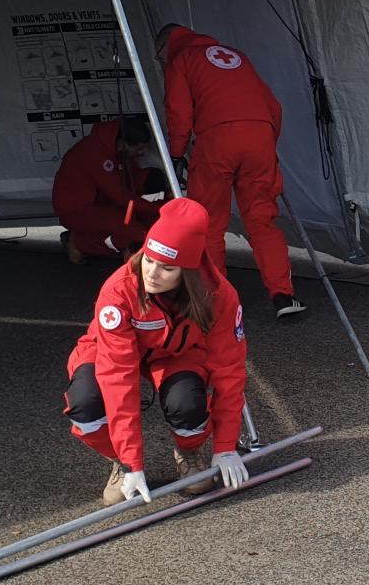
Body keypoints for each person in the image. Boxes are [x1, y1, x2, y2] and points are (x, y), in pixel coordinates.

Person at [60, 197, 251, 505]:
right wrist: (130, 460)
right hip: (108, 352)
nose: (151, 273)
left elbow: (229, 370)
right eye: (148, 259)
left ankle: (189, 451)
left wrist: (225, 446)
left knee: (188, 404)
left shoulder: (218, 295)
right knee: (85, 404)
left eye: (166, 268)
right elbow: (117, 375)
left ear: (187, 271)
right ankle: (120, 465)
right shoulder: (118, 290)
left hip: (176, 355)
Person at [156, 25, 306, 319]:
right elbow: (273, 107)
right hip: (260, 137)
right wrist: (264, 143)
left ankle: (215, 300)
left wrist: (175, 154)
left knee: (209, 222)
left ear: (164, 48)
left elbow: (179, 111)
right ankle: (283, 295)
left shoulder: (181, 61)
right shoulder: (236, 55)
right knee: (262, 220)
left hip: (216, 141)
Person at [50, 114, 171, 262]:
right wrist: (161, 209)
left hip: (104, 199)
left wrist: (164, 201)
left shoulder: (115, 150)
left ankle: (152, 223)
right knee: (135, 232)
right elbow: (121, 197)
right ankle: (79, 243)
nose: (142, 153)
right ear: (124, 144)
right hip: (79, 208)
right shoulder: (95, 153)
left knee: (152, 177)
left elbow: (128, 180)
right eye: (138, 148)